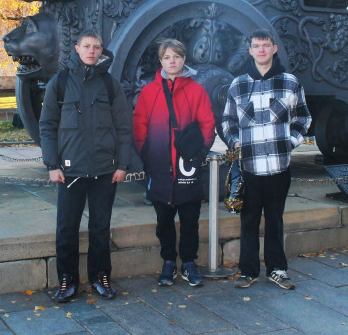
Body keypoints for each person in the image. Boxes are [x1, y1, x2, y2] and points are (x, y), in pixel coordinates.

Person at [39, 30, 133, 303]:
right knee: (66, 228)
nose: (92, 51)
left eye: (97, 47)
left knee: (100, 228)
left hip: (105, 169)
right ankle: (67, 280)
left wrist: (123, 164)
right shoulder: (61, 82)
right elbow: (48, 126)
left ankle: (100, 276)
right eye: (87, 46)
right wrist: (52, 164)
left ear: (101, 51)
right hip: (70, 170)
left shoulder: (110, 84)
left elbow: (123, 127)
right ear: (77, 49)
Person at [222, 29, 311, 290]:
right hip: (249, 167)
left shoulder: (290, 82)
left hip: (278, 167)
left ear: (274, 49)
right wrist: (235, 142)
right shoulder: (238, 85)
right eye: (256, 46)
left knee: (275, 219)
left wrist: (290, 142)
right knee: (248, 220)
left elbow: (303, 118)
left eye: (266, 45)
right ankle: (247, 271)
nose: (261, 50)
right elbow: (227, 121)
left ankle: (277, 269)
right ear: (250, 51)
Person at [133, 39, 215, 288]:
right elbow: (140, 127)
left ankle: (189, 262)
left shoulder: (196, 90)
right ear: (161, 61)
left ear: (183, 60)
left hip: (186, 165)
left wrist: (199, 153)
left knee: (190, 220)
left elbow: (207, 124)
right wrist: (148, 155)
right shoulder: (149, 92)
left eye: (177, 56)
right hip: (159, 165)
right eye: (167, 57)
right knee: (164, 220)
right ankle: (168, 261)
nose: (172, 61)